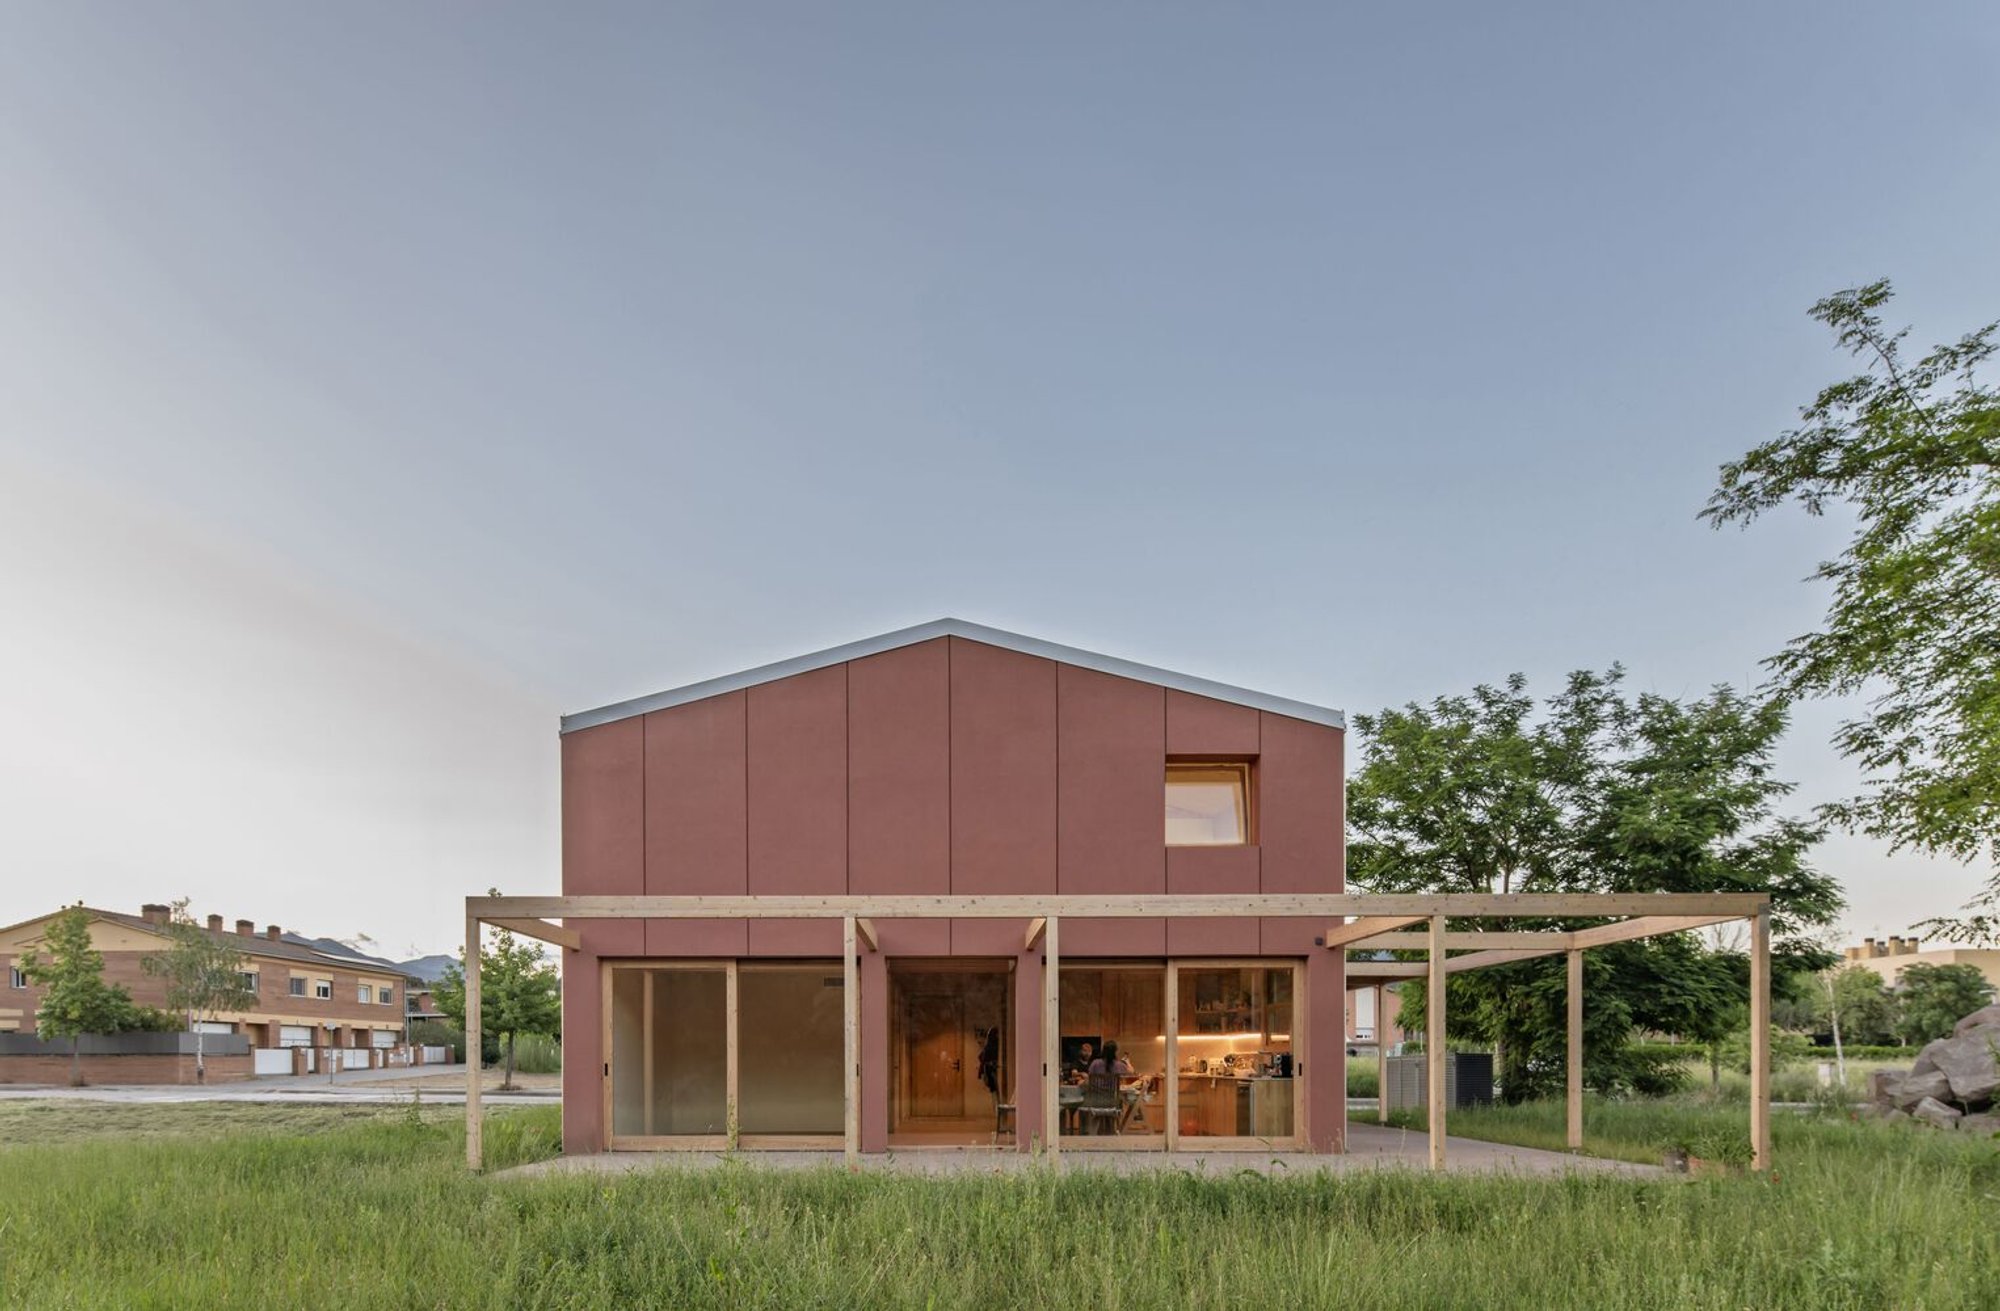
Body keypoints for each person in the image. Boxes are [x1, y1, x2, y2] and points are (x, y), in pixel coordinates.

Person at [1083, 1041, 1135, 1134]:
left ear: (1103, 1051)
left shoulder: (1095, 1063)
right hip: (1112, 1103)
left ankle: (1094, 1134)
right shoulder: (1119, 1065)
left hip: (1095, 1102)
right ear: (1115, 1052)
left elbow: (1088, 1080)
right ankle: (1111, 1132)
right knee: (1120, 1100)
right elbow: (1132, 1072)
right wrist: (1127, 1062)